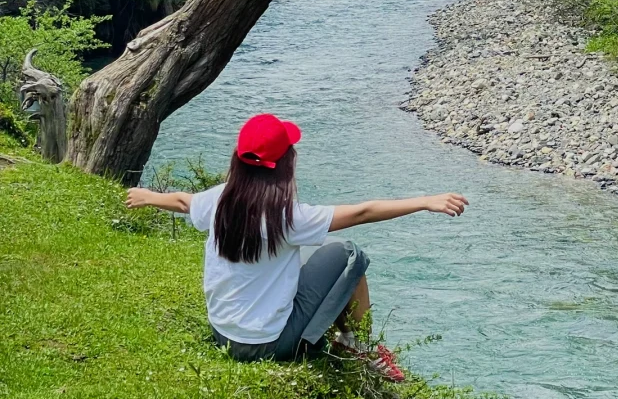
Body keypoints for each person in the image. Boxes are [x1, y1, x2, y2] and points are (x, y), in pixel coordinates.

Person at [125, 113, 467, 372]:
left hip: (223, 336)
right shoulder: (286, 216)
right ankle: (359, 344)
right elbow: (363, 212)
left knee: (308, 259)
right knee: (349, 255)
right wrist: (425, 201)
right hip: (271, 345)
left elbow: (186, 202)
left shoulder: (219, 200)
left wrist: (149, 196)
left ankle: (348, 339)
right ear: (284, 163)